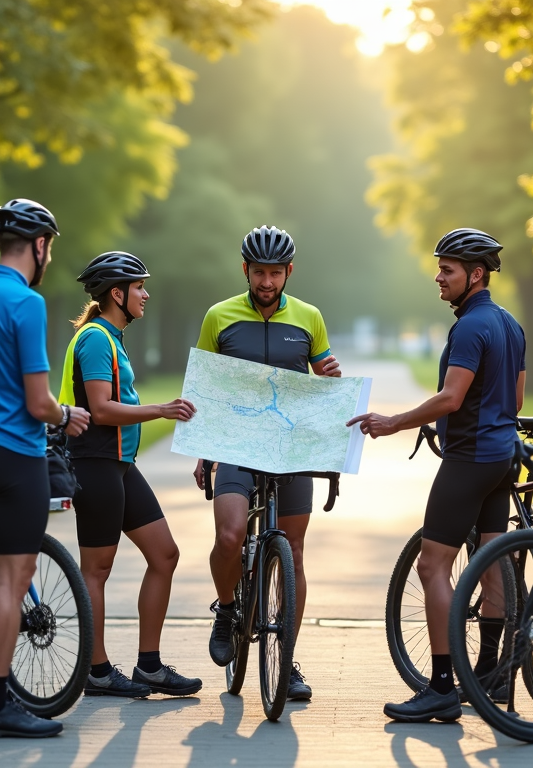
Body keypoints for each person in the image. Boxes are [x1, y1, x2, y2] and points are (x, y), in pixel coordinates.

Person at [349, 228, 526, 724]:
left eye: (447, 270)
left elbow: (451, 398)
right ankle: (491, 676)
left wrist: (392, 423)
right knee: (492, 565)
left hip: (468, 460)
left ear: (476, 274)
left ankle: (443, 686)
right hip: (500, 458)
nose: (438, 277)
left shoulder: (470, 327)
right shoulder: (510, 325)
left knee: (432, 566)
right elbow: (516, 401)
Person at [0, 198, 90, 739]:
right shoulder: (25, 303)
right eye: (48, 246)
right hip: (15, 456)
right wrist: (67, 413)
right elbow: (37, 402)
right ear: (38, 246)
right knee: (14, 577)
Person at [194, 225, 340, 702]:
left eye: (276, 273)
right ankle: (228, 608)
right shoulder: (219, 316)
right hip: (237, 444)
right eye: (260, 272)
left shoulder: (309, 317)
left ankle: (288, 659)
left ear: (289, 272)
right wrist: (204, 451)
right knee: (230, 535)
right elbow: (207, 389)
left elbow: (325, 382)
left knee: (293, 553)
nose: (267, 281)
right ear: (246, 270)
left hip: (291, 446)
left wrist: (331, 376)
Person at [59, 251, 203, 698]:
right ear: (116, 294)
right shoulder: (97, 338)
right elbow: (100, 409)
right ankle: (97, 671)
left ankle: (149, 666)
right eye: (138, 286)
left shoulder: (110, 337)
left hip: (119, 465)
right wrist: (160, 410)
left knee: (164, 554)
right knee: (97, 570)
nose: (146, 294)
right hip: (94, 463)